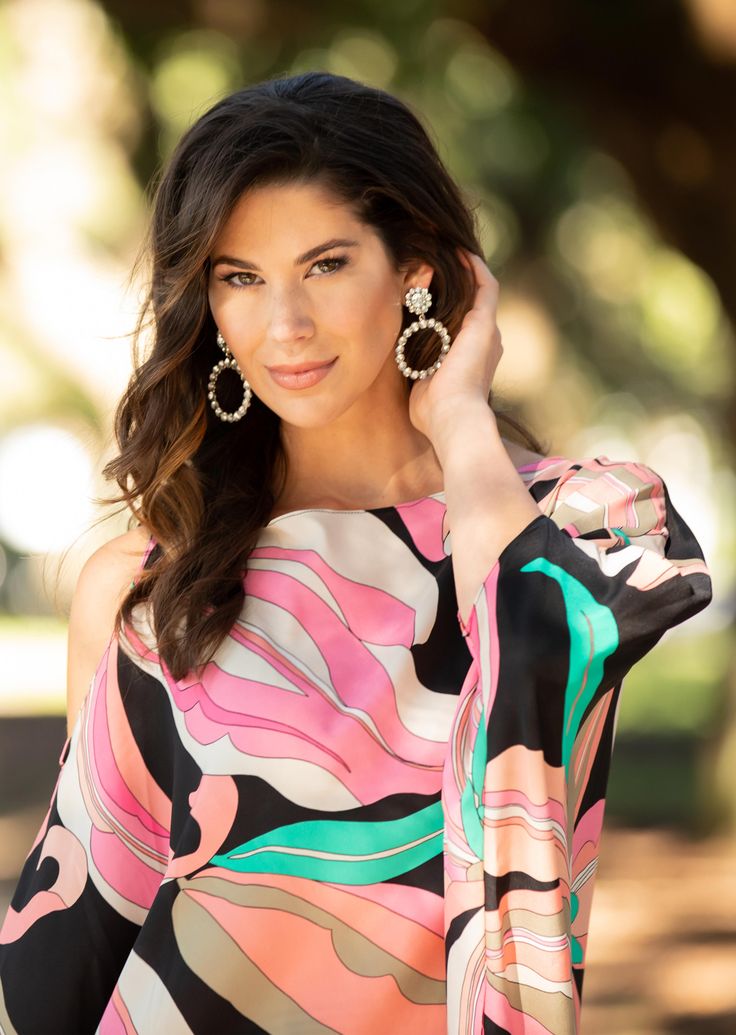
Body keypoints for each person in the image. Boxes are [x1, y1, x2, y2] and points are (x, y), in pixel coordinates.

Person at [0, 70, 712, 1035]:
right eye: (239, 278)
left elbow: (532, 637)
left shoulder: (588, 517)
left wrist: (459, 420)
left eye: (325, 264)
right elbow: (72, 936)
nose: (283, 326)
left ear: (416, 265)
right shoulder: (145, 588)